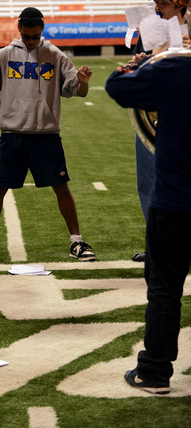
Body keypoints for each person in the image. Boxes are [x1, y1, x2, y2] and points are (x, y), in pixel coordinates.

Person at [0, 7, 97, 264]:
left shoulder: (55, 55)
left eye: (34, 36)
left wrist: (83, 81)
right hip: (13, 134)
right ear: (19, 29)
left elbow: (75, 89)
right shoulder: (3, 55)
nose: (30, 41)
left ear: (42, 30)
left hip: (46, 135)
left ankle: (77, 242)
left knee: (61, 187)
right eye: (26, 36)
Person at [105, 38, 191, 394]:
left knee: (165, 289)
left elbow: (116, 86)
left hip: (174, 200)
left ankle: (155, 372)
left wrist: (139, 62)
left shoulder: (174, 67)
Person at [130, 0, 190, 263]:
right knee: (148, 182)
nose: (156, 6)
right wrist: (138, 65)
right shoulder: (150, 28)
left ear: (181, 5)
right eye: (154, 1)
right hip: (153, 119)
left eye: (161, 1)